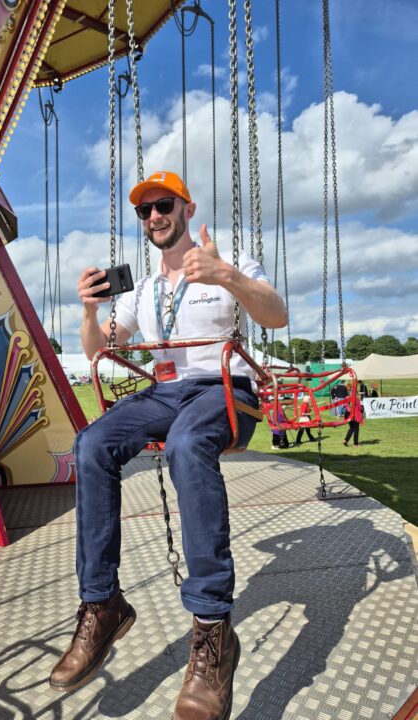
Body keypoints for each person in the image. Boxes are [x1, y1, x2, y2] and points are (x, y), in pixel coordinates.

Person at [48, 170, 287, 719]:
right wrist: (89, 311)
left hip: (221, 388)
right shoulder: (143, 290)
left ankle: (211, 630)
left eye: (163, 205)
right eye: (145, 210)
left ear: (186, 207)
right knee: (91, 444)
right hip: (167, 392)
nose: (154, 216)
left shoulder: (226, 260)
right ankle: (102, 602)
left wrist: (227, 275)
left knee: (184, 444)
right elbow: (100, 350)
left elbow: (275, 314)